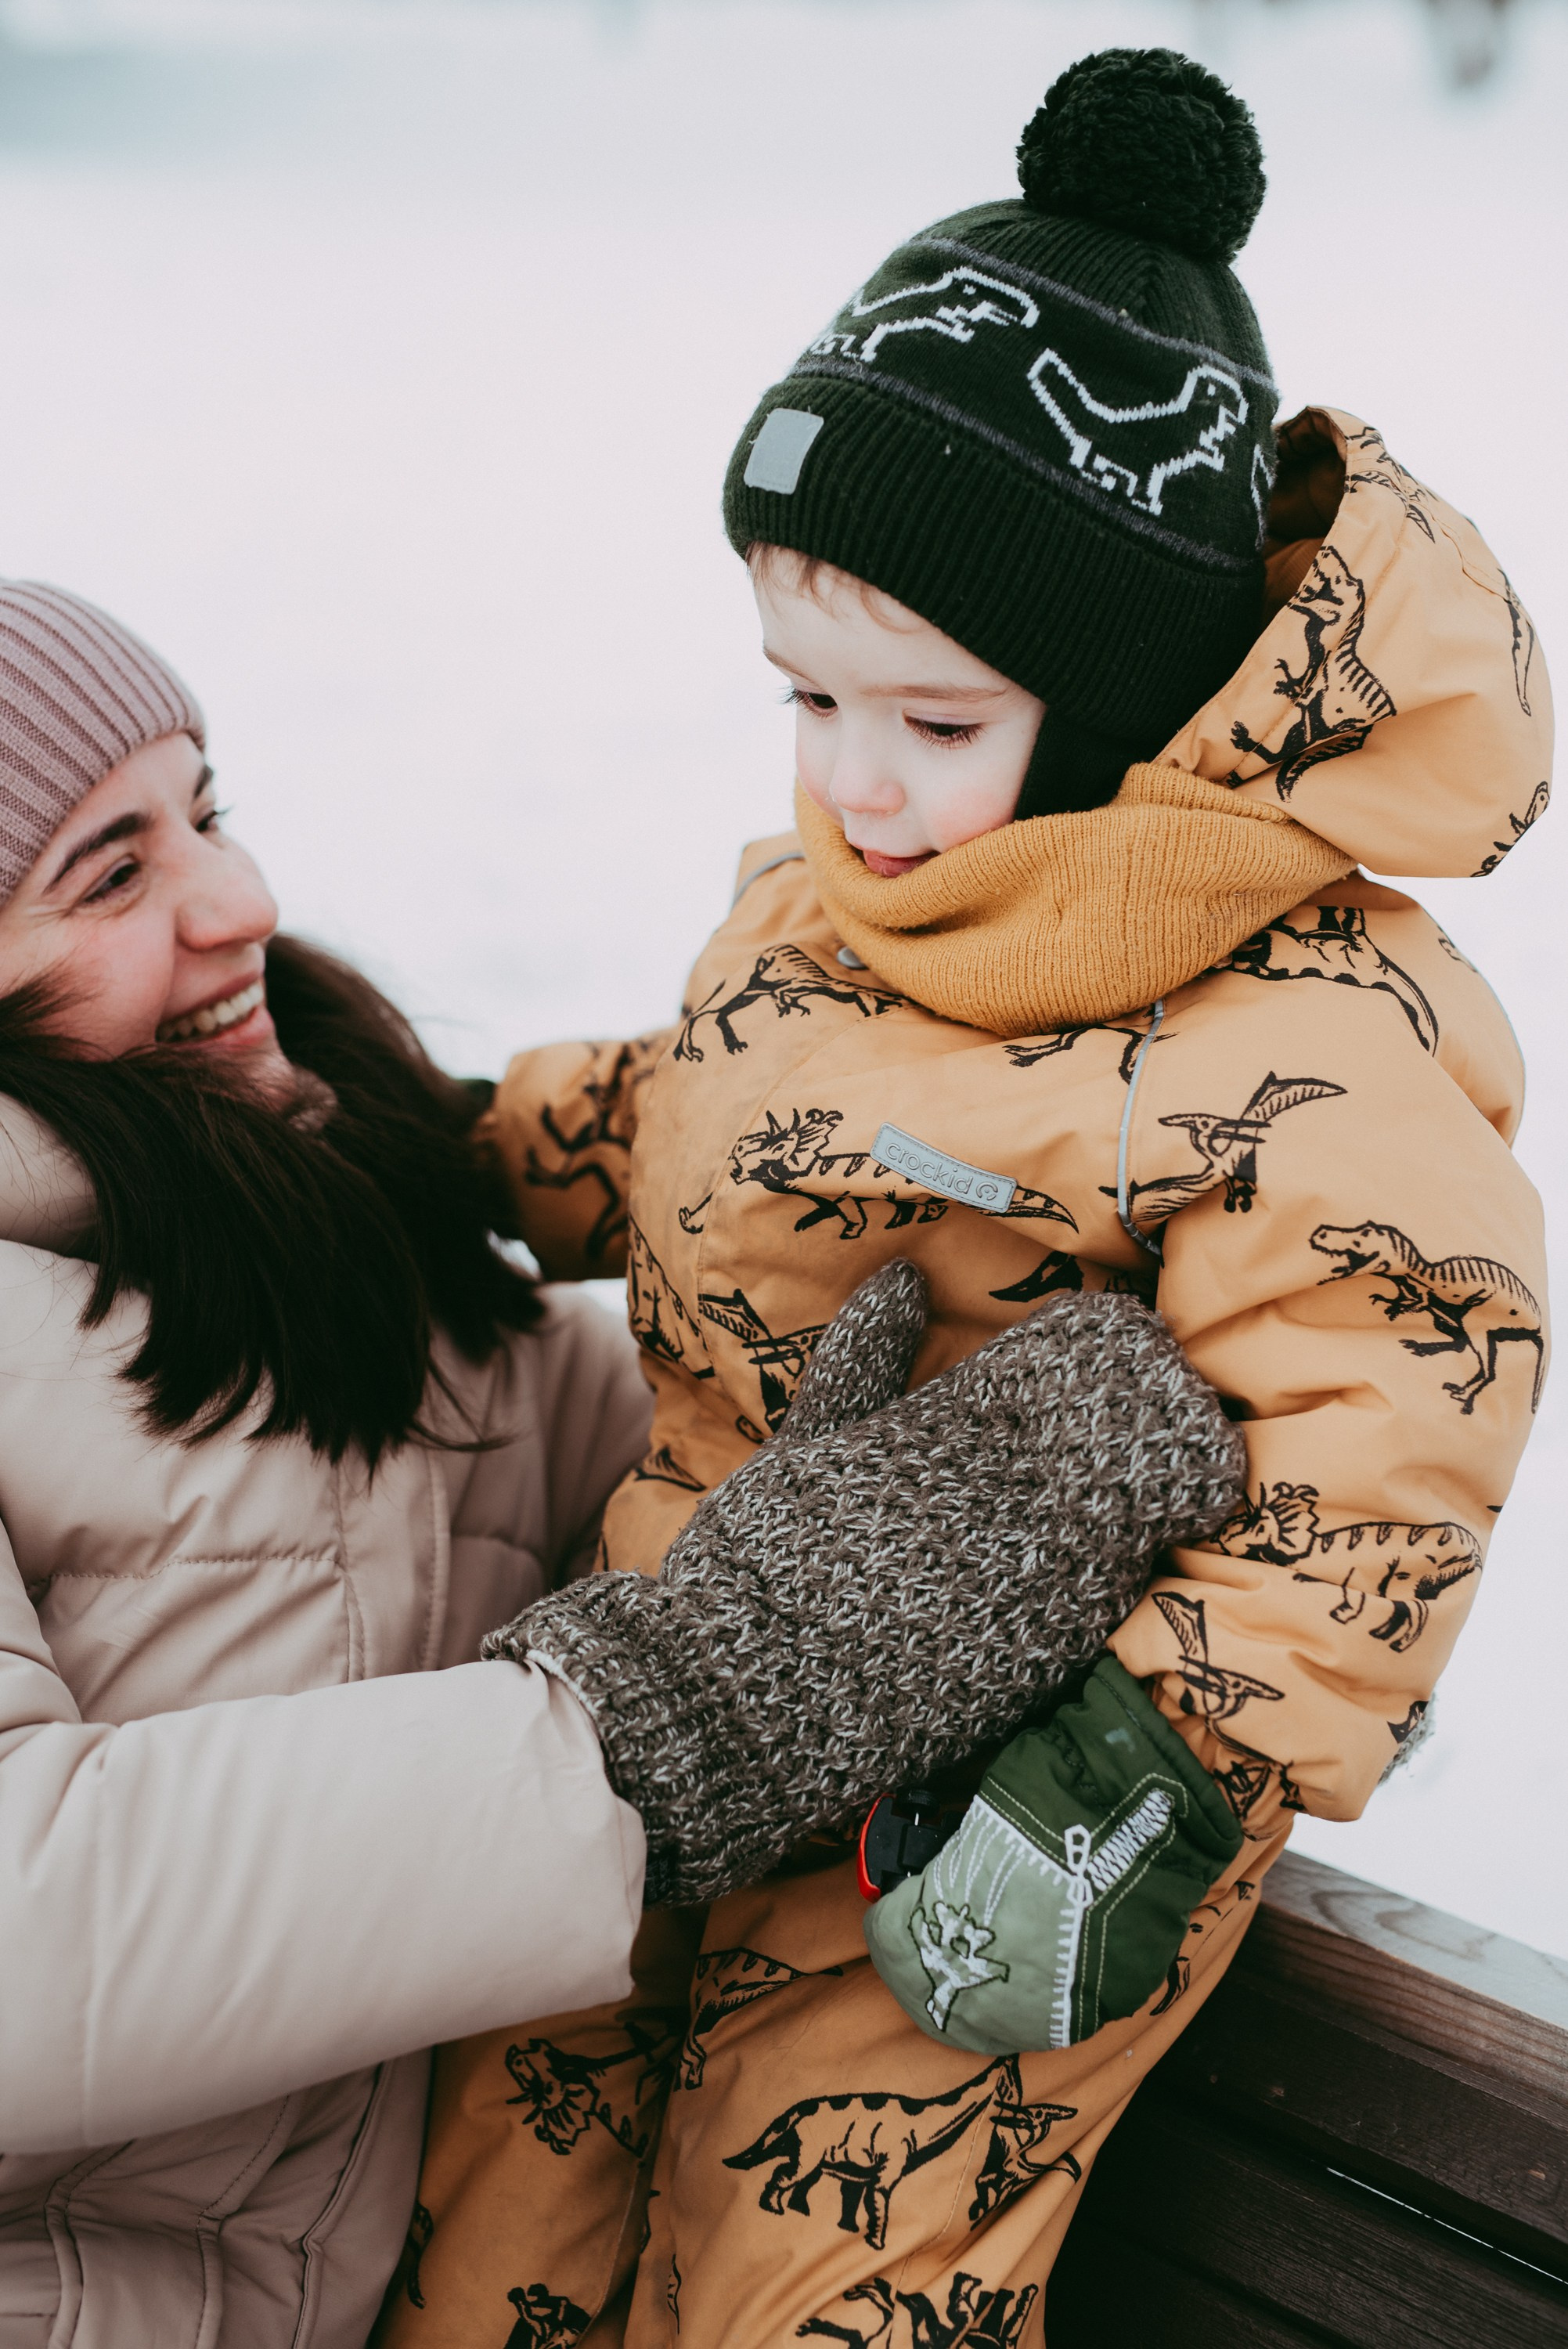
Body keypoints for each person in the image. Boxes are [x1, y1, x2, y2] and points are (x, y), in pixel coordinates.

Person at [391, 46, 1552, 2349]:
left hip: (989, 1796)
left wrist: (1130, 1778)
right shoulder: (837, 902)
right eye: (800, 698)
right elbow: (699, 1114)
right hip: (680, 1675)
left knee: (804, 2287)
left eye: (929, 722)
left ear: (1116, 704)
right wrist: (448, 1154)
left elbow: (1385, 1451)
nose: (851, 785)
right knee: (493, 2224)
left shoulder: (1290, 1035)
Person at [0, 579, 1242, 2349]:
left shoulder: (319, 1241)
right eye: (110, 875)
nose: (243, 905)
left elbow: (687, 1435)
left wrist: (1233, 1575)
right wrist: (681, 1713)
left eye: (206, 812)